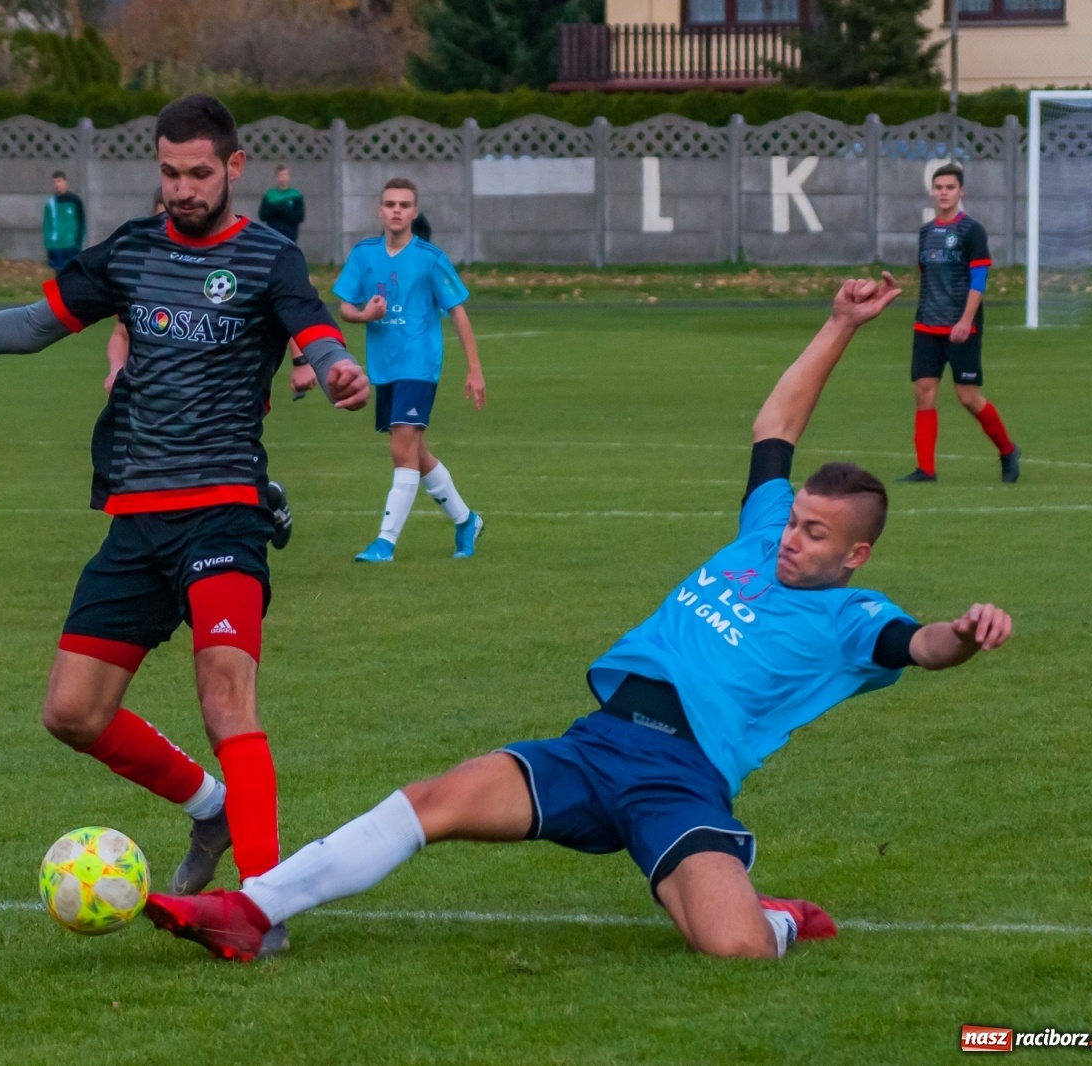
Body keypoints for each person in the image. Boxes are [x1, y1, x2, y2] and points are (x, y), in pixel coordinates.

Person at [142, 272, 1015, 963]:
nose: (791, 538)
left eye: (814, 533)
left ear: (854, 556)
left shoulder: (858, 618)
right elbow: (777, 421)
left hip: (681, 781)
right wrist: (841, 325)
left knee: (735, 948)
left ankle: (772, 916)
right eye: (793, 520)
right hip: (596, 743)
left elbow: (924, 646)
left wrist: (965, 633)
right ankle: (249, 912)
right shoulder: (760, 535)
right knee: (434, 799)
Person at [0, 95, 371, 960]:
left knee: (227, 693)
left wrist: (338, 369)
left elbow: (316, 331)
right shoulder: (133, 250)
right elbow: (35, 325)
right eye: (168, 172)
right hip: (136, 520)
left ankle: (261, 907)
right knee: (72, 712)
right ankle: (212, 811)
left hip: (224, 509)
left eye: (197, 173)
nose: (181, 189)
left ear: (234, 167)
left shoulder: (268, 257)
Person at [333, 177, 485, 562]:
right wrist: (364, 314)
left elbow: (458, 312)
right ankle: (466, 521)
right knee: (416, 453)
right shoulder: (364, 255)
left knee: (401, 450)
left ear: (414, 212)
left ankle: (385, 542)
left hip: (419, 365)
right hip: (385, 368)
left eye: (404, 204)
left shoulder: (431, 259)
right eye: (390, 204)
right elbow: (345, 307)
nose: (396, 210)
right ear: (379, 210)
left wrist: (474, 368)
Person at [900, 164, 1020, 484]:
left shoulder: (971, 231)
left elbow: (979, 278)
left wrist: (965, 320)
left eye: (950, 187)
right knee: (924, 392)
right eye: (939, 187)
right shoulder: (926, 233)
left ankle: (1008, 451)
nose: (944, 192)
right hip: (926, 325)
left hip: (961, 327)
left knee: (967, 396)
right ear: (932, 191)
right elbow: (928, 277)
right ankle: (925, 470)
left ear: (961, 192)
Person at [104, 189, 168, 393]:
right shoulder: (141, 275)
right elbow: (120, 334)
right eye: (160, 221)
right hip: (142, 397)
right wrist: (115, 370)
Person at [43, 171, 87, 278]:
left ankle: (72, 294)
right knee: (59, 274)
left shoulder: (75, 201)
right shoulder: (51, 203)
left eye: (59, 181)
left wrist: (78, 241)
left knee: (73, 275)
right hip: (56, 246)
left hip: (72, 245)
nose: (57, 184)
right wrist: (49, 245)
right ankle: (56, 295)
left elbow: (82, 222)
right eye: (55, 182)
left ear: (65, 182)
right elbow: (46, 226)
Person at [258, 164, 305, 244]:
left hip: (290, 236)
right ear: (276, 177)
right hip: (273, 235)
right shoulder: (270, 195)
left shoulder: (295, 194)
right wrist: (276, 210)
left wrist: (281, 209)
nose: (283, 178)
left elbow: (300, 216)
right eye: (280, 175)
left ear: (289, 177)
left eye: (285, 175)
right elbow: (262, 216)